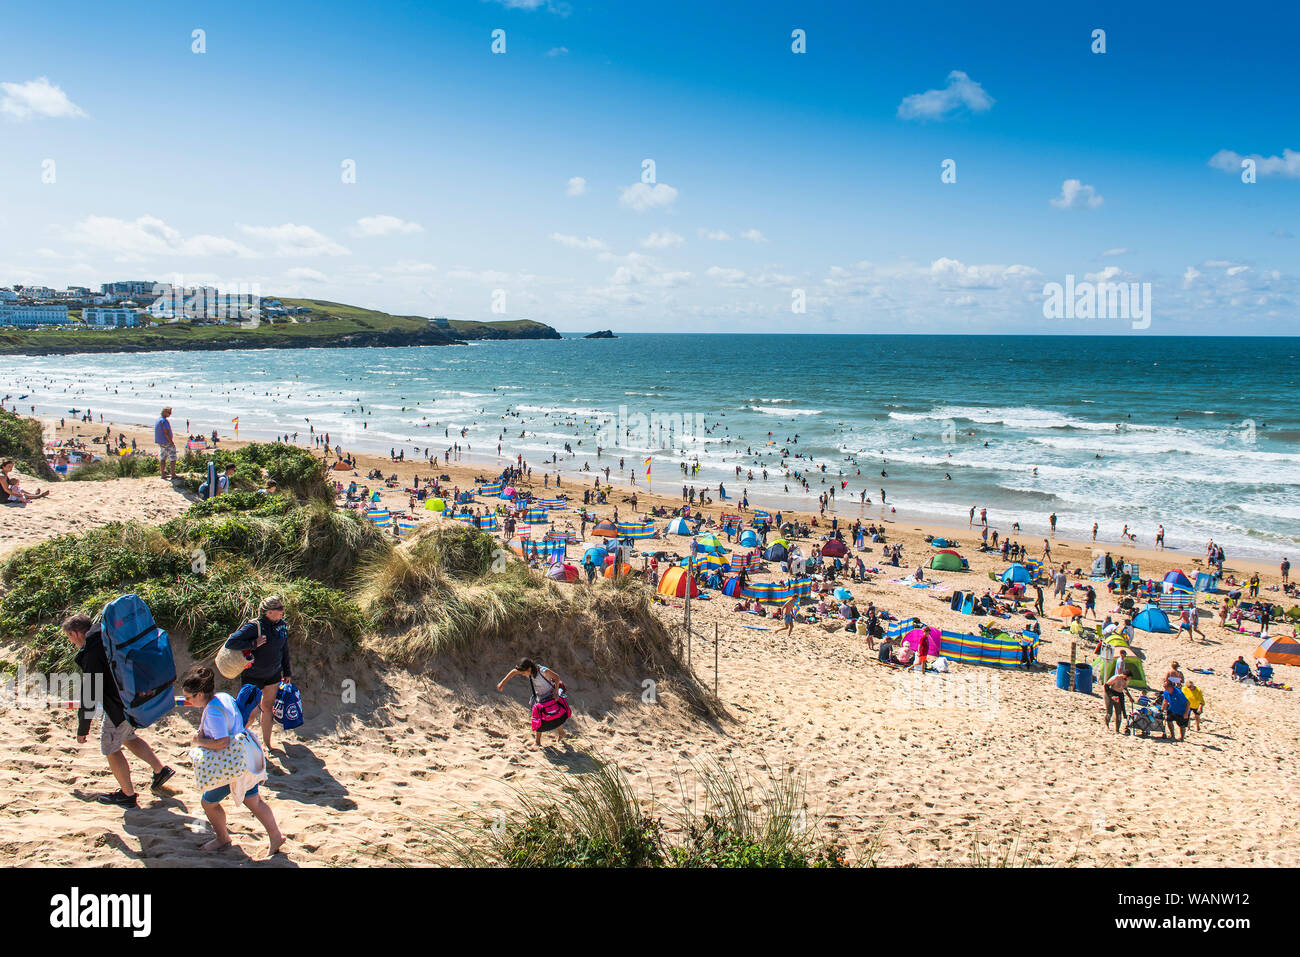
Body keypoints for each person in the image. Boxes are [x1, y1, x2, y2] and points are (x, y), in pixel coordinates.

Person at [65, 613, 175, 807]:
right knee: (127, 736)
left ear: (75, 634)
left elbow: (90, 692)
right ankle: (160, 771)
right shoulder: (109, 636)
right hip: (134, 698)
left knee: (110, 747)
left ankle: (127, 794)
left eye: (69, 638)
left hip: (120, 706)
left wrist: (83, 728)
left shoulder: (92, 650)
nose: (71, 642)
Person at [180, 665, 285, 856]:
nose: (186, 701)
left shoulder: (212, 712)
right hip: (246, 756)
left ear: (200, 694)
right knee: (254, 801)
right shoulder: (223, 697)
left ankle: (222, 838)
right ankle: (276, 835)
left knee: (208, 803)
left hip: (230, 766)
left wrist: (199, 741)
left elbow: (222, 742)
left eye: (189, 697)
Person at [221, 596, 293, 753]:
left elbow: (284, 649)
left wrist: (287, 671)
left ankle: (267, 745)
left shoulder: (282, 625)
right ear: (269, 612)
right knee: (250, 713)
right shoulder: (255, 626)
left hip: (273, 674)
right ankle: (232, 743)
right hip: (252, 676)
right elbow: (231, 642)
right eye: (280, 608)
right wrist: (253, 643)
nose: (283, 611)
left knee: (268, 708)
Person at [497, 658, 569, 748]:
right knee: (539, 717)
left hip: (551, 696)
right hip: (540, 698)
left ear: (529, 669)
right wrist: (502, 683)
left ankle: (559, 733)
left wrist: (556, 693)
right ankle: (539, 741)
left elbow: (557, 677)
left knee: (553, 715)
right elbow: (514, 671)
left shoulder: (543, 671)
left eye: (524, 673)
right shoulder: (528, 671)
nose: (523, 675)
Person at [1103, 667, 1134, 734]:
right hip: (1111, 693)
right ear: (1126, 676)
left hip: (1119, 695)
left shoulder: (1125, 681)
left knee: (1119, 712)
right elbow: (1106, 686)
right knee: (1109, 712)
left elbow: (1125, 689)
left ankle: (1117, 729)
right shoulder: (1116, 678)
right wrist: (1111, 696)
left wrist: (1130, 697)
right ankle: (1107, 725)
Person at [155, 407, 177, 481]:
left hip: (161, 442)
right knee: (173, 457)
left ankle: (163, 474)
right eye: (169, 412)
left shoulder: (159, 420)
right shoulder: (164, 421)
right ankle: (173, 474)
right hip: (166, 442)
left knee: (163, 457)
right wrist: (171, 442)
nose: (170, 414)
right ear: (165, 412)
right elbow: (166, 432)